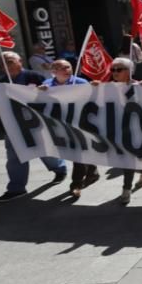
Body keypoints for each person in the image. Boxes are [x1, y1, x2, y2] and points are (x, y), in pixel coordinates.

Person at [0, 52, 68, 202]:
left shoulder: (34, 76)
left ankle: (59, 168)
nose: (5, 65)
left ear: (20, 61)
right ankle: (16, 188)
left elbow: (51, 95)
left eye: (9, 61)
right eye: (1, 62)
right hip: (12, 125)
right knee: (15, 157)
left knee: (45, 150)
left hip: (36, 123)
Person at [91, 57, 142, 205]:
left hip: (137, 128)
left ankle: (129, 186)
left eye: (119, 69)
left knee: (132, 157)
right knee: (127, 158)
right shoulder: (107, 87)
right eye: (113, 70)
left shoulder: (138, 86)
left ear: (129, 71)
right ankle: (137, 179)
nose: (115, 72)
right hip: (118, 129)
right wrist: (94, 89)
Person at [38, 59, 98, 197]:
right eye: (62, 68)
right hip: (60, 124)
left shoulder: (81, 82)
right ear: (54, 71)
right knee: (78, 152)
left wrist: (94, 87)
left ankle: (76, 184)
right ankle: (92, 172)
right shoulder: (47, 85)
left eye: (68, 67)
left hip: (80, 123)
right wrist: (39, 92)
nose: (67, 70)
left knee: (78, 153)